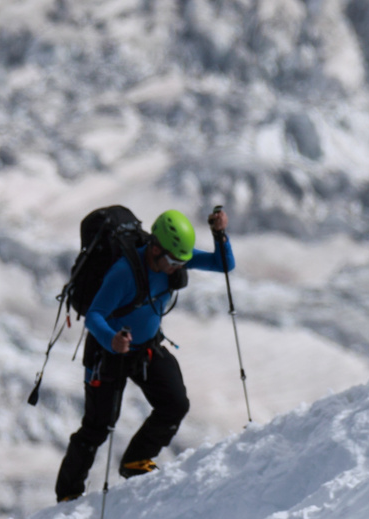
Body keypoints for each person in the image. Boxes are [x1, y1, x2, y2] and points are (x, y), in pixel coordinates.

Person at [54, 207, 234, 502]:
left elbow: (223, 264)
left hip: (145, 349)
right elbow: (95, 316)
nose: (179, 267)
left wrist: (219, 234)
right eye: (174, 260)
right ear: (155, 249)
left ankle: (135, 462)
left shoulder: (173, 259)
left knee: (175, 404)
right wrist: (112, 340)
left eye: (182, 261)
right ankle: (68, 494)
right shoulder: (123, 273)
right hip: (108, 354)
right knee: (97, 427)